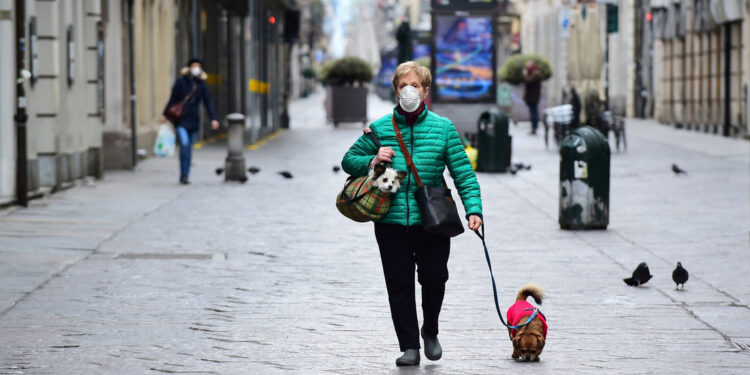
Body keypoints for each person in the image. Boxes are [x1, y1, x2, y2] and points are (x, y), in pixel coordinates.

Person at [342, 61, 483, 367]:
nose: (409, 90)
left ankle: (429, 330)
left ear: (425, 90)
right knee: (399, 284)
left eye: (415, 85)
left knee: (435, 278)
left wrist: (473, 209)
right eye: (403, 85)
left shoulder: (443, 128)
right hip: (391, 222)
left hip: (432, 220)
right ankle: (409, 347)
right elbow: (348, 160)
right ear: (395, 90)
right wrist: (373, 158)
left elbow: (463, 173)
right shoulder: (379, 128)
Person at [160, 58, 219, 185]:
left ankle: (185, 174)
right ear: (189, 67)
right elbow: (173, 99)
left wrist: (213, 118)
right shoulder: (181, 82)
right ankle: (183, 172)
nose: (196, 68)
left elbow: (208, 103)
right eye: (194, 66)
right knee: (185, 144)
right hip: (181, 120)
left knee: (189, 148)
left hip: (194, 121)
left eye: (199, 66)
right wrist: (165, 114)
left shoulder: (202, 85)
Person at [522, 59, 543, 135]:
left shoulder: (535, 73)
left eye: (527, 65)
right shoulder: (533, 72)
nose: (526, 67)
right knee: (533, 112)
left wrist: (525, 74)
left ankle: (534, 127)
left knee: (533, 112)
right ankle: (534, 127)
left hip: (533, 97)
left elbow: (529, 81)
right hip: (532, 97)